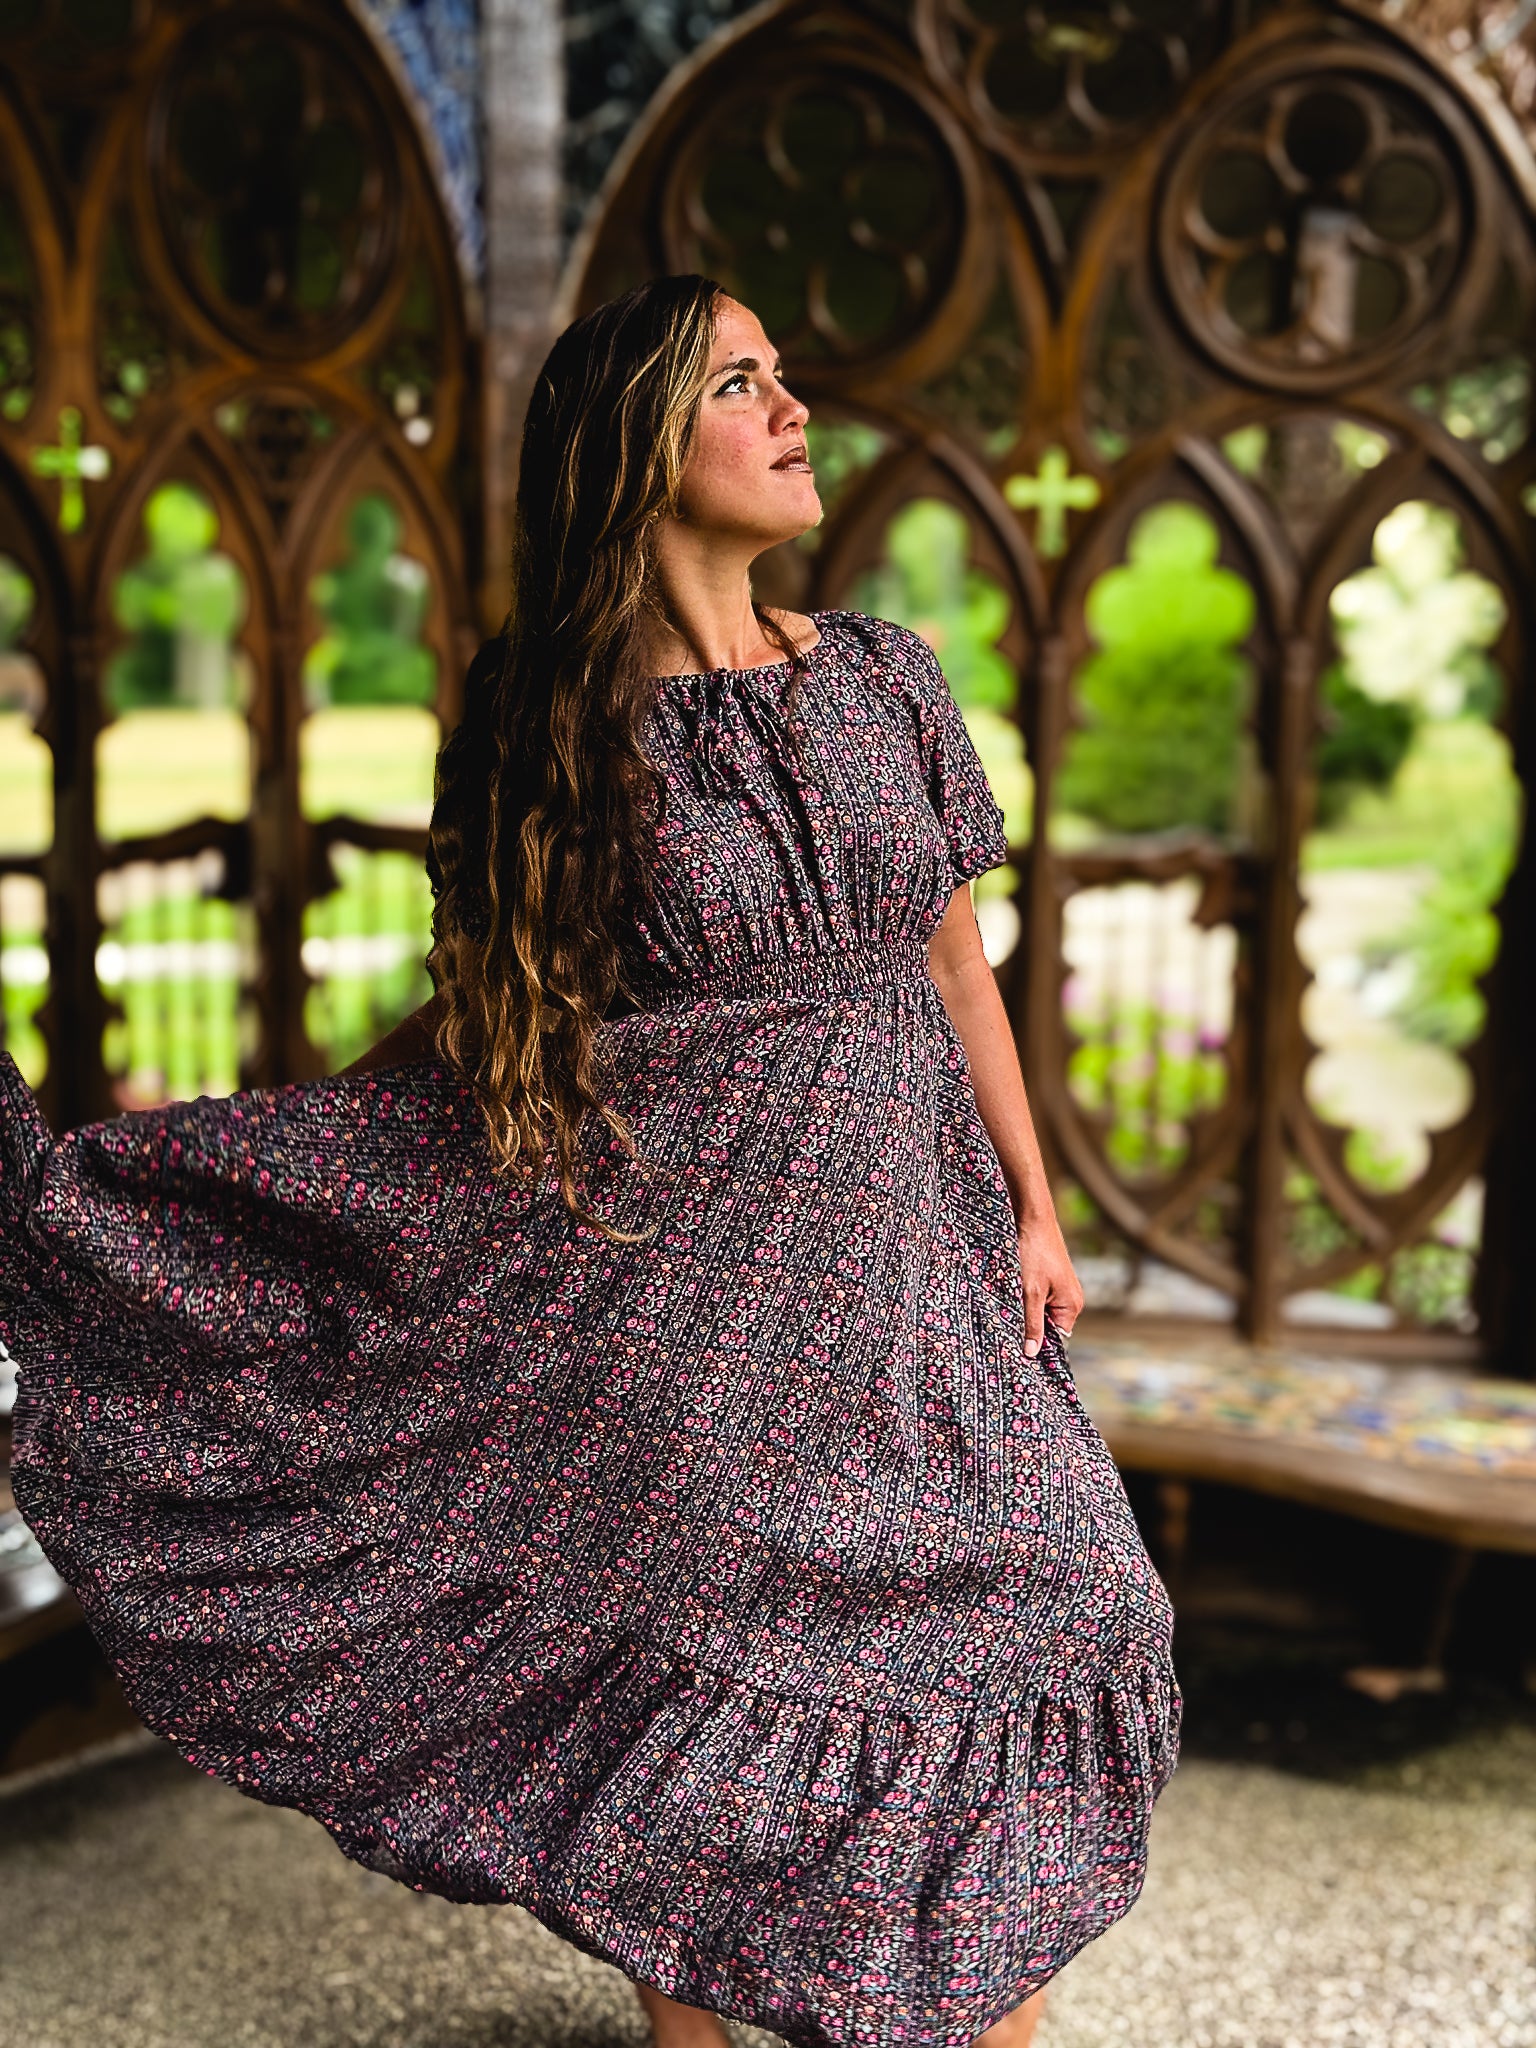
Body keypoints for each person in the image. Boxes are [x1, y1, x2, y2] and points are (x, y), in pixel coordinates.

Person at [0, 275, 1180, 2048]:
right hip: (680, 1298)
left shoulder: (882, 679)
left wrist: (1030, 1197)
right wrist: (225, 1178)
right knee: (688, 1656)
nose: (795, 410)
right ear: (640, 446)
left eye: (787, 372)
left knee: (1067, 1589)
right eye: (740, 383)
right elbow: (488, 1024)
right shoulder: (546, 727)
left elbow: (952, 959)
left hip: (917, 1255)